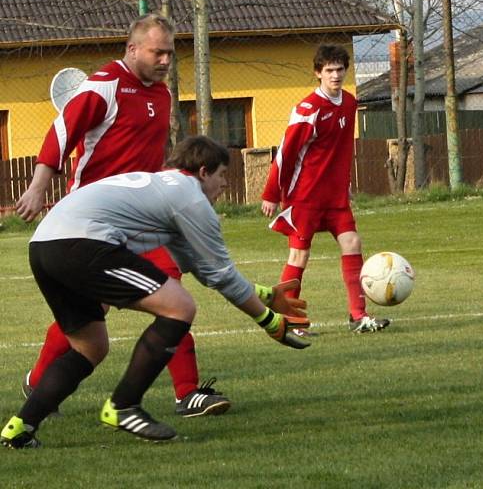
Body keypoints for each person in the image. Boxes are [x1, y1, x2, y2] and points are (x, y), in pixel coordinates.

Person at [1, 136, 310, 449]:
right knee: (179, 307)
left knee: (90, 348)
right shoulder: (191, 198)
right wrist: (270, 321)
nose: (225, 184)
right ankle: (124, 406)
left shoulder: (165, 189)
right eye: (222, 175)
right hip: (81, 244)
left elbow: (199, 266)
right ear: (203, 172)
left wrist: (266, 295)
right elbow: (221, 274)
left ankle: (19, 429)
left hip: (43, 247)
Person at [15, 14, 231, 417]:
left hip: (139, 221)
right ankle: (40, 380)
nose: (166, 60)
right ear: (132, 49)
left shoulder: (161, 94)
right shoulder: (104, 86)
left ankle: (188, 392)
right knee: (89, 313)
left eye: (170, 52)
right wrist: (38, 186)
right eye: (158, 52)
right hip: (93, 223)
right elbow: (61, 131)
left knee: (173, 293)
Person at [261, 44, 389, 333]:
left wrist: (346, 184)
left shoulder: (349, 103)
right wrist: (271, 193)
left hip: (335, 197)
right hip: (305, 196)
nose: (335, 75)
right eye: (329, 70)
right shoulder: (308, 109)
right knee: (299, 256)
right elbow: (286, 152)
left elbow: (341, 150)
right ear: (317, 73)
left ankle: (358, 315)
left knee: (352, 243)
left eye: (340, 69)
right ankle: (290, 322)